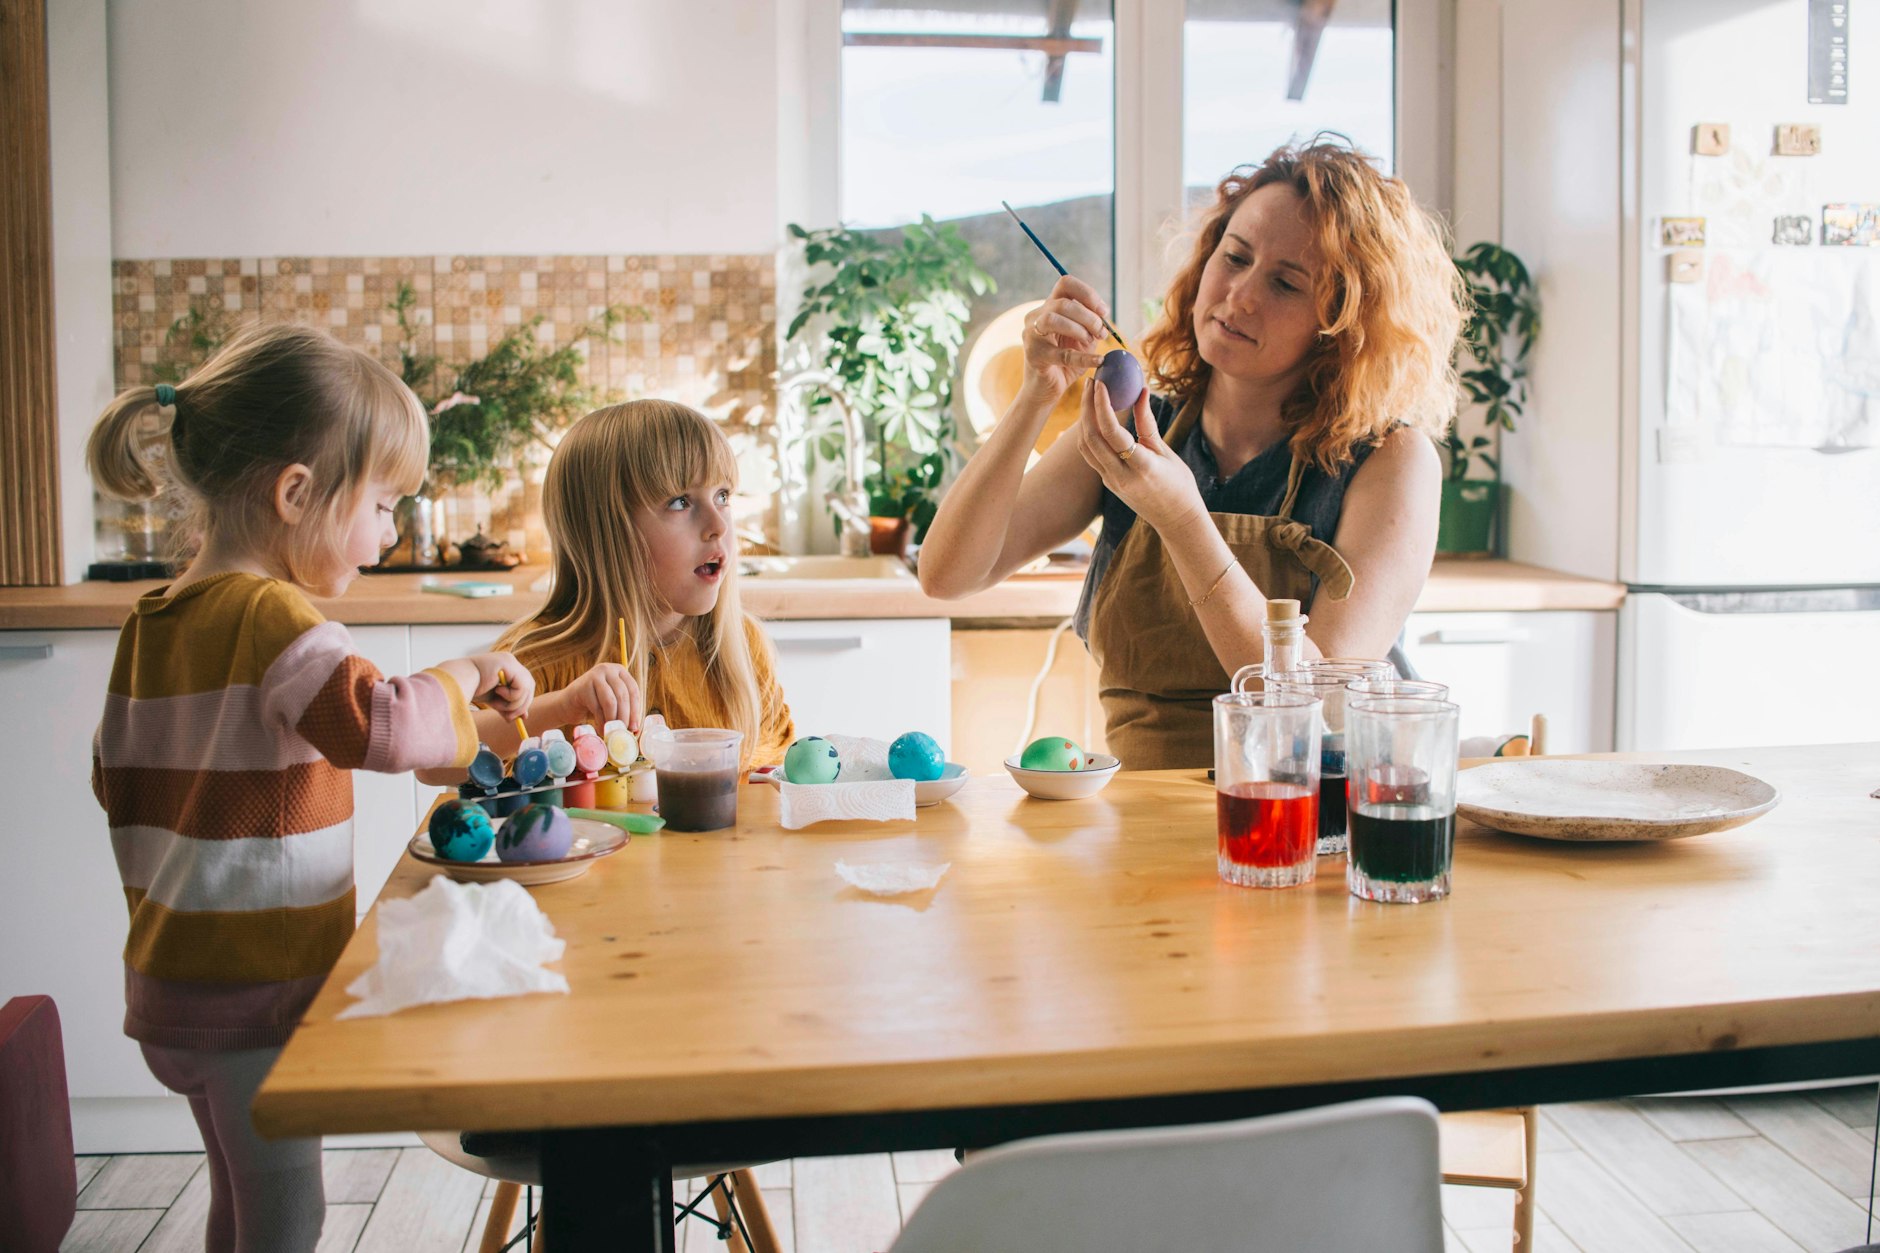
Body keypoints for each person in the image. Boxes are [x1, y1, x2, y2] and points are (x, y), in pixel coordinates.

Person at [85, 323, 534, 1252]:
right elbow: (382, 725)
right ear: (296, 493)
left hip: (169, 988)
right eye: (381, 503)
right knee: (290, 1215)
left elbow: (108, 772)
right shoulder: (274, 615)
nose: (390, 532)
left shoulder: (154, 618)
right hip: (256, 994)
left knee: (237, 1201)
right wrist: (473, 666)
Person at [920, 138, 1467, 769]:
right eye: (1234, 257)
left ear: (1343, 319)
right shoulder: (1139, 422)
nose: (1240, 296)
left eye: (1286, 284)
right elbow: (947, 575)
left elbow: (1309, 718)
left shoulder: (1390, 461)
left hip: (1302, 821)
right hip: (1142, 815)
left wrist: (1183, 519)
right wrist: (1034, 397)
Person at [480, 400, 794, 770]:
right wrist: (562, 705)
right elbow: (444, 756)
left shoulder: (741, 650)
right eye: (680, 502)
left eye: (722, 497)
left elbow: (773, 781)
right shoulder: (537, 658)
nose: (719, 526)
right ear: (604, 533)